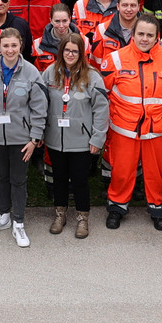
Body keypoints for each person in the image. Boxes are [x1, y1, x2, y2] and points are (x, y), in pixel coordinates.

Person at [102, 14, 162, 232]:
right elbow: (105, 93)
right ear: (133, 34)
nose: (145, 39)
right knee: (121, 171)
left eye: (150, 35)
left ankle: (158, 209)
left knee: (157, 172)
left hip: (158, 129)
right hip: (124, 128)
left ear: (157, 37)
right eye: (141, 34)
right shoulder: (115, 60)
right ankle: (116, 208)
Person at [0, 27, 47, 248]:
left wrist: (34, 140)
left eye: (14, 45)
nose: (10, 50)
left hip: (22, 140)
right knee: (1, 178)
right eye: (6, 45)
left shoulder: (31, 73)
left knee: (18, 180)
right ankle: (3, 216)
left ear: (20, 45)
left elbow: (39, 109)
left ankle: (19, 222)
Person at [41, 32, 108, 238]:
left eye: (75, 51)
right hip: (55, 138)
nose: (71, 54)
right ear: (61, 51)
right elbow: (40, 104)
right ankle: (60, 214)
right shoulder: (49, 73)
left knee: (80, 180)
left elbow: (101, 110)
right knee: (59, 179)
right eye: (67, 50)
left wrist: (97, 138)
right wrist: (40, 132)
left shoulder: (92, 76)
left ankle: (82, 218)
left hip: (81, 141)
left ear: (82, 53)